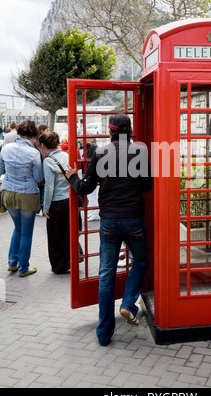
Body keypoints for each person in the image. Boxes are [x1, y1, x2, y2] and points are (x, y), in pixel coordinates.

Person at [65, 113, 152, 346]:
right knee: (141, 261)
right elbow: (147, 186)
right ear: (130, 130)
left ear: (111, 131)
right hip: (134, 219)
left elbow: (84, 187)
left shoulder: (101, 152)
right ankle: (127, 304)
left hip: (109, 222)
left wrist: (72, 177)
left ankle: (104, 335)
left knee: (106, 275)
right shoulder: (141, 152)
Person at [0, 119, 43, 277]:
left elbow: (1, 169)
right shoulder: (33, 152)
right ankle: (24, 267)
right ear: (33, 136)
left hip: (8, 193)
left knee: (17, 229)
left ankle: (12, 263)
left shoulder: (6, 148)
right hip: (27, 194)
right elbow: (38, 177)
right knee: (26, 233)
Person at [38, 131, 70, 274]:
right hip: (69, 200)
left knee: (56, 237)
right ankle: (71, 261)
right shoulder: (66, 155)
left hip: (56, 203)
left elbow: (49, 187)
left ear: (44, 145)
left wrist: (45, 208)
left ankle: (59, 266)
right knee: (68, 233)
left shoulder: (48, 161)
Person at [85, 133, 99, 221]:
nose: (80, 141)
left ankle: (95, 213)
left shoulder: (92, 147)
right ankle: (95, 212)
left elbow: (93, 161)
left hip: (92, 174)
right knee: (91, 195)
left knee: (91, 194)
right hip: (90, 173)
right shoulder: (90, 147)